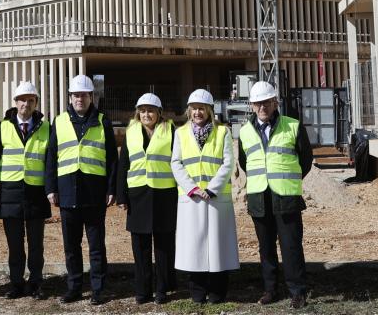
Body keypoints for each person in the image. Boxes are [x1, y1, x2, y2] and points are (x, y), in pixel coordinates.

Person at [238, 81, 313, 309]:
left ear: (275, 103)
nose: (263, 107)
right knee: (266, 247)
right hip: (259, 196)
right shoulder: (244, 132)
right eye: (258, 103)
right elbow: (245, 162)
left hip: (286, 196)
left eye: (267, 102)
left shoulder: (292, 126)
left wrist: (288, 180)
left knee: (291, 245)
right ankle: (270, 289)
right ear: (252, 106)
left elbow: (305, 160)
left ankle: (297, 291)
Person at [44, 74, 118, 306]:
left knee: (96, 247)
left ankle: (98, 290)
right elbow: (51, 157)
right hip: (67, 194)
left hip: (94, 194)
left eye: (84, 95)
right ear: (70, 97)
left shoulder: (103, 121)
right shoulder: (60, 121)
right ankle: (74, 287)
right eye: (76, 95)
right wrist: (51, 188)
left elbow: (111, 159)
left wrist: (111, 189)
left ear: (91, 97)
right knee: (71, 247)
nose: (80, 99)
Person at [171, 89, 239, 305]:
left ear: (210, 110)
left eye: (202, 108)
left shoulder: (223, 132)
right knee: (194, 247)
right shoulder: (180, 133)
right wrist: (192, 188)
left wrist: (212, 188)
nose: (198, 113)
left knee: (219, 247)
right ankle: (198, 292)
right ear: (189, 111)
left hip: (216, 198)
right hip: (192, 199)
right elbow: (176, 163)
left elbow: (228, 162)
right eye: (194, 109)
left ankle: (218, 293)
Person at [0, 81, 51, 300]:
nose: (27, 103)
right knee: (14, 244)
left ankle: (35, 283)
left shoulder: (46, 128)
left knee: (36, 245)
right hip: (11, 192)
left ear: (36, 103)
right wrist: (9, 180)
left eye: (31, 100)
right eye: (23, 99)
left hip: (36, 193)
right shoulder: (1, 127)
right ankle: (16, 283)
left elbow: (50, 160)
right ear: (15, 102)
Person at [116, 93, 178, 305]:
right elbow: (123, 164)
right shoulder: (131, 131)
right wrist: (121, 195)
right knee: (140, 247)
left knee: (163, 247)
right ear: (137, 113)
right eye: (142, 111)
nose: (146, 114)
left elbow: (178, 162)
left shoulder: (171, 130)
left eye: (150, 110)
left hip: (164, 194)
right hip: (138, 195)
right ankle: (142, 290)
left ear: (159, 113)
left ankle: (162, 289)